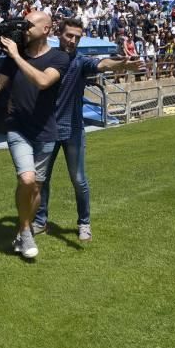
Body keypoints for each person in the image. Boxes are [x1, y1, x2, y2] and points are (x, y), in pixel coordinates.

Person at [32, 19, 143, 241]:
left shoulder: (80, 62)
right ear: (58, 34)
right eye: (69, 35)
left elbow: (102, 64)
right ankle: (40, 221)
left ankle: (84, 223)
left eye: (77, 37)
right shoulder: (49, 59)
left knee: (79, 180)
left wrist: (121, 65)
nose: (72, 41)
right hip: (47, 130)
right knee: (41, 180)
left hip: (72, 130)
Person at [0, 11, 70, 259]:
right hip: (18, 129)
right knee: (27, 180)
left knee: (36, 188)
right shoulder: (13, 59)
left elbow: (43, 81)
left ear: (46, 29)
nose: (24, 28)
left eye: (29, 25)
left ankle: (23, 230)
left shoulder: (59, 57)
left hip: (45, 132)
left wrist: (16, 57)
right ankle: (26, 231)